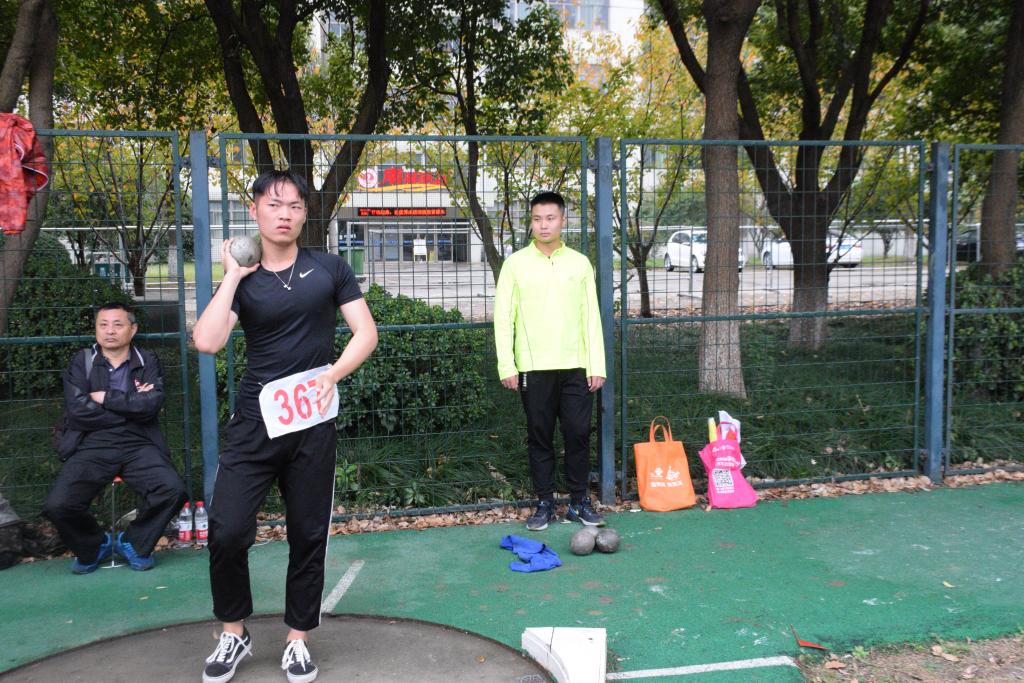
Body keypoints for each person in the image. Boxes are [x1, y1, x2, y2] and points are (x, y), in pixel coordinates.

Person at [192, 169, 377, 683]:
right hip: (255, 423)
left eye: (295, 206)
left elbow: (365, 332)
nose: (285, 214)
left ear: (304, 214)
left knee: (308, 533)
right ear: (255, 211)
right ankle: (234, 632)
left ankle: (298, 639)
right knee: (227, 529)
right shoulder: (244, 279)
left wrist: (332, 375)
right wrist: (232, 276)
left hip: (312, 422)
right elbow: (206, 341)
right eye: (274, 205)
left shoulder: (330, 269)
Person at [43, 302, 187, 573]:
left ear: (133, 329)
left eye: (118, 325)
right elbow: (78, 412)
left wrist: (106, 397)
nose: (110, 331)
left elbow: (151, 405)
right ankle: (94, 545)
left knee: (172, 491)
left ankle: (134, 542)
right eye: (103, 325)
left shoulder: (147, 360)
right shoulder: (82, 361)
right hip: (93, 442)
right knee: (58, 505)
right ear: (96, 329)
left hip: (138, 442)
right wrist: (130, 408)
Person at [493, 191, 606, 532]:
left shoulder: (579, 263)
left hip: (576, 365)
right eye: (538, 219)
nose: (544, 225)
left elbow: (591, 317)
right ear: (531, 222)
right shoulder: (515, 264)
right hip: (533, 367)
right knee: (540, 436)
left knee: (578, 434)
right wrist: (507, 365)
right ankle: (544, 503)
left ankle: (579, 502)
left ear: (562, 221)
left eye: (551, 218)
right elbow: (503, 318)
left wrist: (596, 365)